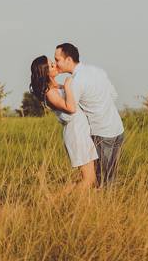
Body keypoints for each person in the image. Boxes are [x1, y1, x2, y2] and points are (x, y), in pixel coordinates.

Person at [53, 43, 125, 185]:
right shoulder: (97, 70)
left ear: (68, 60)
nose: (56, 64)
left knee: (103, 181)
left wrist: (55, 106)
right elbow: (113, 95)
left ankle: (105, 206)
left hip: (102, 134)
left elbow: (68, 115)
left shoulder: (75, 82)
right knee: (111, 175)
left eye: (57, 60)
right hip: (118, 129)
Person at [30, 55, 98, 189]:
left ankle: (65, 202)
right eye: (51, 65)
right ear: (45, 72)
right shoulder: (50, 93)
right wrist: (68, 86)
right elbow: (71, 108)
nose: (55, 65)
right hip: (76, 134)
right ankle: (53, 202)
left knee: (90, 178)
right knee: (89, 180)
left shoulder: (57, 87)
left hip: (82, 131)